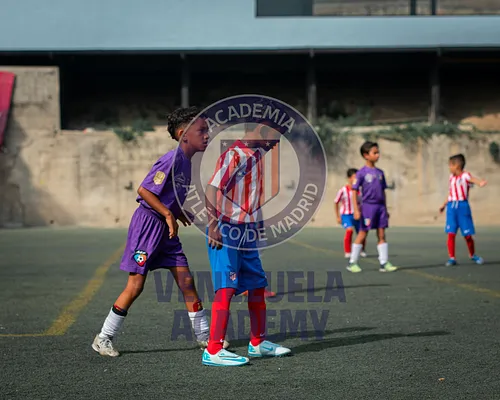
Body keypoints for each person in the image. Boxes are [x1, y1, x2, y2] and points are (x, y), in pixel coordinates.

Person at [91, 107, 228, 357]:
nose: (207, 135)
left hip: (167, 232)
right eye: (201, 130)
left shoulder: (187, 163)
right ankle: (103, 338)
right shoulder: (171, 159)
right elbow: (144, 191)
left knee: (186, 281)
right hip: (148, 227)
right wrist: (167, 214)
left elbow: (168, 196)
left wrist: (178, 213)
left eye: (207, 130)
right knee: (136, 285)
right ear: (183, 134)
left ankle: (205, 337)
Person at [202, 122, 291, 367]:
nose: (276, 143)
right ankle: (213, 349)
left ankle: (258, 343)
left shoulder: (255, 156)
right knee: (226, 288)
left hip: (246, 232)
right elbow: (211, 189)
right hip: (226, 229)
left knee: (257, 285)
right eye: (274, 137)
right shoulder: (233, 155)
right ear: (262, 130)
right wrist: (213, 225)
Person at [347, 141, 397, 273]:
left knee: (381, 234)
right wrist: (356, 210)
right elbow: (354, 191)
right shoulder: (361, 173)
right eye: (374, 153)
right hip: (368, 207)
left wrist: (385, 208)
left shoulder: (380, 173)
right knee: (363, 233)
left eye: (378, 152)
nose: (378, 155)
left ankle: (384, 262)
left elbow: (383, 191)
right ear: (366, 155)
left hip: (380, 207)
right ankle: (352, 262)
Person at [439, 153, 487, 266]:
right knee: (451, 233)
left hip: (462, 207)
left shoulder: (465, 176)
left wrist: (480, 183)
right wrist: (444, 204)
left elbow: (472, 179)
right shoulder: (451, 178)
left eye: (451, 165)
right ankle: (452, 258)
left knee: (467, 234)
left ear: (457, 166)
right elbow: (451, 192)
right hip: (452, 207)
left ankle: (472, 254)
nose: (449, 167)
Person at [334, 168, 367, 258]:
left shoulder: (360, 190)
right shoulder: (343, 190)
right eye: (354, 177)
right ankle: (348, 251)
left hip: (358, 214)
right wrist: (338, 217)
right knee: (349, 230)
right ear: (349, 178)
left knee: (361, 232)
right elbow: (336, 202)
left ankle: (362, 250)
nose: (356, 179)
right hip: (346, 215)